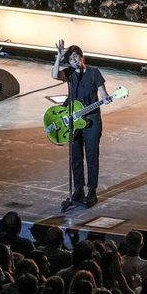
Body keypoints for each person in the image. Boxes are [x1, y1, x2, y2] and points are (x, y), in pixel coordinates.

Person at [52, 41, 108, 208]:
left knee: (91, 157)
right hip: (73, 119)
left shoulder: (94, 73)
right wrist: (59, 58)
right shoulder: (69, 73)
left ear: (82, 57)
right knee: (76, 157)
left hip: (91, 120)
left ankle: (92, 190)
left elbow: (104, 94)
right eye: (71, 59)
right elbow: (55, 75)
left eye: (77, 57)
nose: (75, 61)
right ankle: (78, 189)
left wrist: (106, 98)